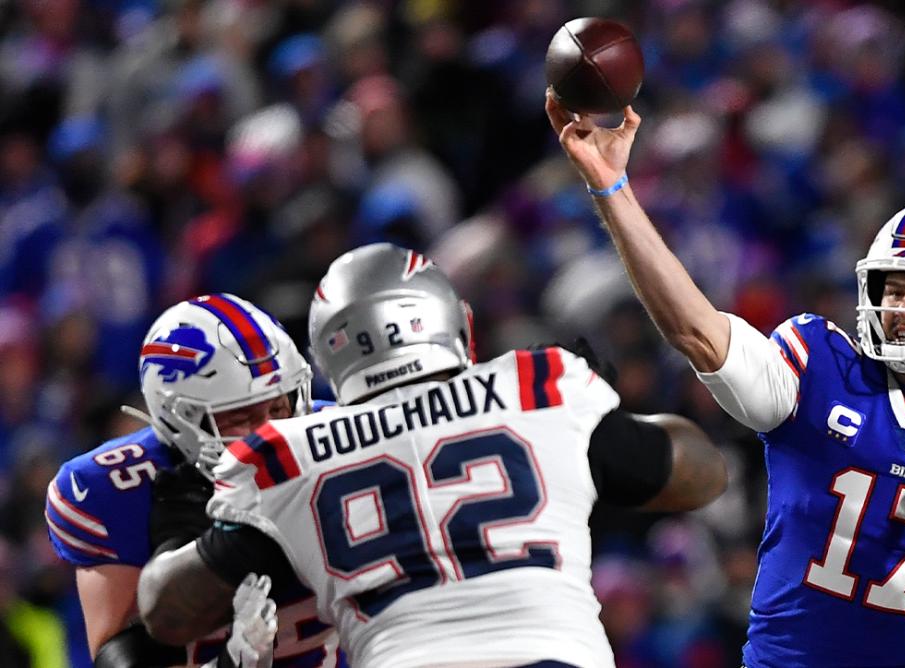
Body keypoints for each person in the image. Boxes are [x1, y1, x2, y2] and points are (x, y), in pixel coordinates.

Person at [545, 93, 905, 668]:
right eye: (893, 289)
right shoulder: (821, 367)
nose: (903, 308)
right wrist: (612, 188)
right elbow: (697, 332)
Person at [135, 243, 729, 667]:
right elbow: (701, 474)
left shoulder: (288, 457)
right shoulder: (538, 392)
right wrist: (599, 423)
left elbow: (168, 612)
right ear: (457, 325)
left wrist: (178, 533)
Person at [44, 293, 340, 666]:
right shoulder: (114, 487)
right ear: (180, 418)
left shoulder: (339, 440)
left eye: (280, 405)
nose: (271, 432)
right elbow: (119, 657)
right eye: (241, 417)